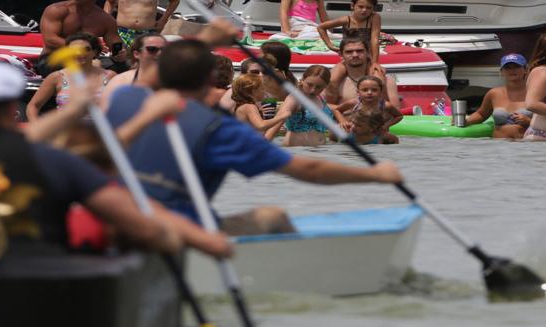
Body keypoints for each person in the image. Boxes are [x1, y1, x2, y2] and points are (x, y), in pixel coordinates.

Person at [0, 59, 231, 262]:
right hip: (38, 289)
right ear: (10, 110)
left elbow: (6, 144)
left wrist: (72, 112)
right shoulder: (56, 161)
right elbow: (142, 226)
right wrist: (183, 241)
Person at [106, 38, 404, 234]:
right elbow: (307, 169)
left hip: (109, 217)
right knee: (272, 216)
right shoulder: (220, 129)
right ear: (210, 79)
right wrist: (376, 175)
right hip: (172, 230)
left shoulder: (125, 99)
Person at [27, 32, 108, 115]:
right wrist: (37, 126)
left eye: (85, 49)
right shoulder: (56, 77)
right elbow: (33, 106)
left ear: (94, 52)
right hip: (65, 127)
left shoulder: (110, 77)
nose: (79, 53)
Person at [466, 53, 531, 140]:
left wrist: (529, 121)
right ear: (502, 72)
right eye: (507, 67)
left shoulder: (534, 92)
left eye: (516, 66)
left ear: (526, 69)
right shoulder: (494, 93)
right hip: (498, 148)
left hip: (527, 146)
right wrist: (466, 121)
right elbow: (481, 114)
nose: (512, 70)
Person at [324, 36, 397, 112]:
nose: (355, 55)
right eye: (349, 52)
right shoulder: (333, 81)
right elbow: (321, 106)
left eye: (359, 51)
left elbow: (395, 113)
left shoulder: (388, 81)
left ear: (368, 52)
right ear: (341, 55)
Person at [271, 65, 334, 147]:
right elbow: (277, 122)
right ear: (303, 79)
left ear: (326, 85)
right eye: (309, 85)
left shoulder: (321, 98)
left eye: (319, 87)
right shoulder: (294, 98)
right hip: (298, 152)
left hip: (321, 152)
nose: (313, 90)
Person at [100, 32, 164, 108]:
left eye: (164, 49)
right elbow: (106, 111)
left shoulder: (175, 79)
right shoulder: (121, 81)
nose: (160, 53)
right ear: (136, 54)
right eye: (152, 49)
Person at [40, 0, 120, 59]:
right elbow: (50, 40)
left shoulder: (106, 19)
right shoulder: (57, 10)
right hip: (54, 58)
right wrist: (84, 48)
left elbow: (116, 45)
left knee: (121, 66)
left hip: (88, 62)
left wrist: (120, 53)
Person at [318, 0, 381, 64]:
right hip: (349, 55)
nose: (364, 10)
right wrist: (330, 45)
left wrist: (375, 62)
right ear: (352, 6)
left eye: (369, 8)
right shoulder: (346, 20)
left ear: (373, 8)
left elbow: (374, 40)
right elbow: (321, 27)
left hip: (365, 54)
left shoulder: (374, 18)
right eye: (361, 7)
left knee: (374, 72)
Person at [106, 0, 175, 59]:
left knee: (147, 63)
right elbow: (110, 2)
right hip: (122, 32)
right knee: (119, 59)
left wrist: (163, 20)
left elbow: (174, 1)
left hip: (147, 33)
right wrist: (106, 23)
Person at [340, 73, 397, 144]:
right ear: (358, 92)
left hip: (378, 134)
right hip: (357, 133)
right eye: (365, 90)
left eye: (374, 90)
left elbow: (399, 116)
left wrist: (386, 126)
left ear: (381, 92)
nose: (369, 92)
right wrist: (342, 121)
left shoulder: (385, 105)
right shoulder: (354, 103)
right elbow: (337, 110)